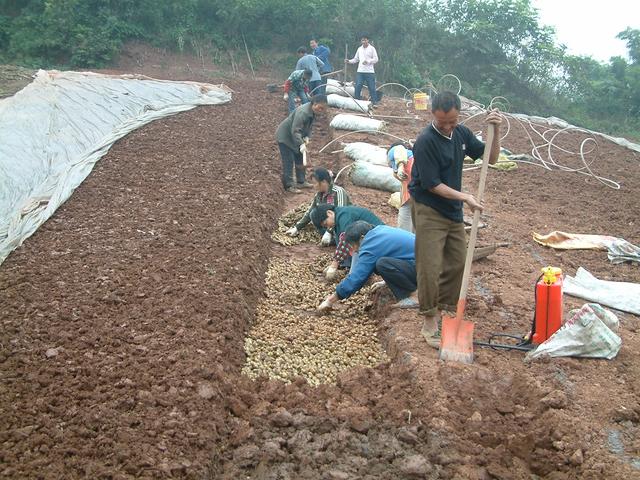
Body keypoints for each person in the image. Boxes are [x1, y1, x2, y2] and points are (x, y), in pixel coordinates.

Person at [409, 91, 502, 348]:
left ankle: (446, 310)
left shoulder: (461, 134)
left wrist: (495, 132)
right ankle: (429, 322)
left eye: (452, 121)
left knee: (459, 261)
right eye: (442, 122)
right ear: (433, 116)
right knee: (429, 264)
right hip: (429, 207)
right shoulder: (426, 141)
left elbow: (490, 158)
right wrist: (465, 197)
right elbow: (431, 184)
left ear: (458, 115)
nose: (448, 126)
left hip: (452, 210)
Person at [317, 221, 419, 311]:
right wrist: (386, 281)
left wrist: (330, 300)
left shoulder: (371, 243)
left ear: (361, 238)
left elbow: (359, 276)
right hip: (424, 265)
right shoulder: (379, 231)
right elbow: (400, 258)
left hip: (425, 269)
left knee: (382, 264)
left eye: (353, 245)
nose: (355, 250)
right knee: (378, 264)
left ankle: (415, 297)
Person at [310, 204, 384, 280]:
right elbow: (340, 243)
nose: (328, 228)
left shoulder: (344, 215)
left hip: (378, 241)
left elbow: (346, 241)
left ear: (329, 213)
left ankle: (360, 276)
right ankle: (349, 268)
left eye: (326, 224)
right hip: (366, 241)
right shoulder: (337, 221)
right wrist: (338, 264)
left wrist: (334, 265)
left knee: (355, 248)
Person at [276, 95, 328, 193]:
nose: (321, 110)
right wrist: (301, 144)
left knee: (300, 156)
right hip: (285, 137)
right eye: (320, 108)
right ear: (314, 104)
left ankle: (301, 181)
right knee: (289, 160)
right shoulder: (303, 112)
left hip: (296, 137)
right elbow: (295, 131)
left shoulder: (313, 111)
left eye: (323, 109)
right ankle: (289, 185)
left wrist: (307, 136)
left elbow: (309, 126)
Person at [285, 167, 351, 239]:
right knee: (314, 215)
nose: (314, 186)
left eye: (315, 183)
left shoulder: (338, 192)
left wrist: (329, 232)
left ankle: (336, 238)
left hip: (344, 224)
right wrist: (297, 228)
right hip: (330, 225)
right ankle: (331, 237)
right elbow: (310, 211)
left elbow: (341, 213)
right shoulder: (318, 195)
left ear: (323, 182)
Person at [387, 142, 415, 232]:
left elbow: (399, 148)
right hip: (416, 194)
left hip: (414, 192)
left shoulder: (394, 151)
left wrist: (400, 167)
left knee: (405, 216)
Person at [345, 35, 379, 106]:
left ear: (368, 40)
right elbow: (356, 59)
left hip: (369, 72)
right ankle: (356, 101)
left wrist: (368, 61)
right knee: (358, 85)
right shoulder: (359, 49)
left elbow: (376, 59)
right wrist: (349, 61)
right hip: (360, 71)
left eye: (365, 40)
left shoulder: (372, 49)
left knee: (371, 87)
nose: (363, 42)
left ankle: (374, 102)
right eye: (362, 40)